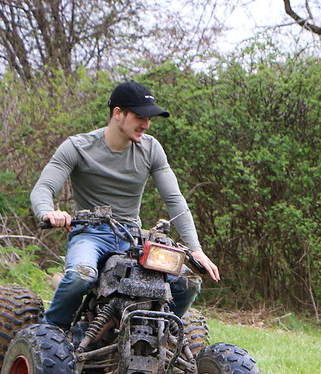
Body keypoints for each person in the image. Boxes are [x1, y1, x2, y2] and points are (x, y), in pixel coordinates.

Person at [31, 80, 220, 331]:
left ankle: (157, 338)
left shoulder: (151, 149)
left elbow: (174, 200)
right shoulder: (77, 147)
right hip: (90, 234)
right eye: (140, 116)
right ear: (118, 114)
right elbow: (43, 188)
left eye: (149, 118)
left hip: (134, 238)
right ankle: (50, 334)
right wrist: (48, 212)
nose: (146, 124)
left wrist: (195, 249)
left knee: (188, 282)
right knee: (80, 276)